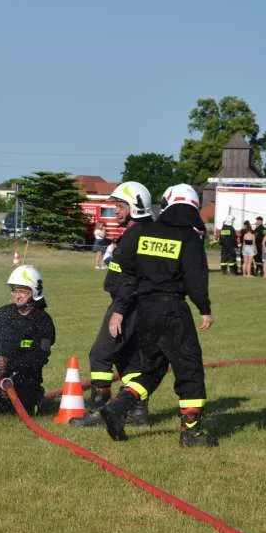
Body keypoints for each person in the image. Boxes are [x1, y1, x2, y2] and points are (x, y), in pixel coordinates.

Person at [101, 183, 218, 448]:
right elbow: (196, 278)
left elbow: (127, 272)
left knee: (151, 367)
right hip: (172, 309)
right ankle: (191, 432)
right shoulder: (189, 236)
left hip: (144, 311)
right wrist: (205, 308)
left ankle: (119, 407)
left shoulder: (145, 231)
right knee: (189, 368)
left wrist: (120, 308)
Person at [73, 181, 162, 428]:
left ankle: (101, 412)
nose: (117, 211)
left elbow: (131, 279)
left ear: (136, 207)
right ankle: (137, 412)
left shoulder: (136, 236)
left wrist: (119, 311)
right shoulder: (147, 232)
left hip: (127, 305)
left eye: (121, 206)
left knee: (101, 354)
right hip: (137, 305)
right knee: (129, 358)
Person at [0, 264, 55, 416]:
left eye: (23, 292)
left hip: (25, 378)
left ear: (34, 292)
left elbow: (40, 357)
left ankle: (37, 397)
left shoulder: (43, 321)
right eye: (15, 290)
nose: (17, 296)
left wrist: (9, 364)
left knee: (23, 410)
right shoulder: (2, 315)